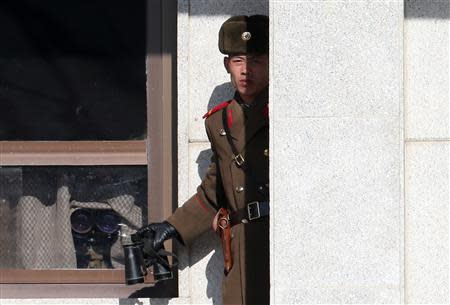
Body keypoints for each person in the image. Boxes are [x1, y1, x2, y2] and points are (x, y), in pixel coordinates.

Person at [135, 15, 270, 305]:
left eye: (257, 61)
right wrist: (170, 227)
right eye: (238, 61)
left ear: (271, 63)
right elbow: (215, 190)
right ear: (227, 66)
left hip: (279, 246)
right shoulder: (219, 122)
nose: (247, 70)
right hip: (240, 251)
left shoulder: (285, 114)